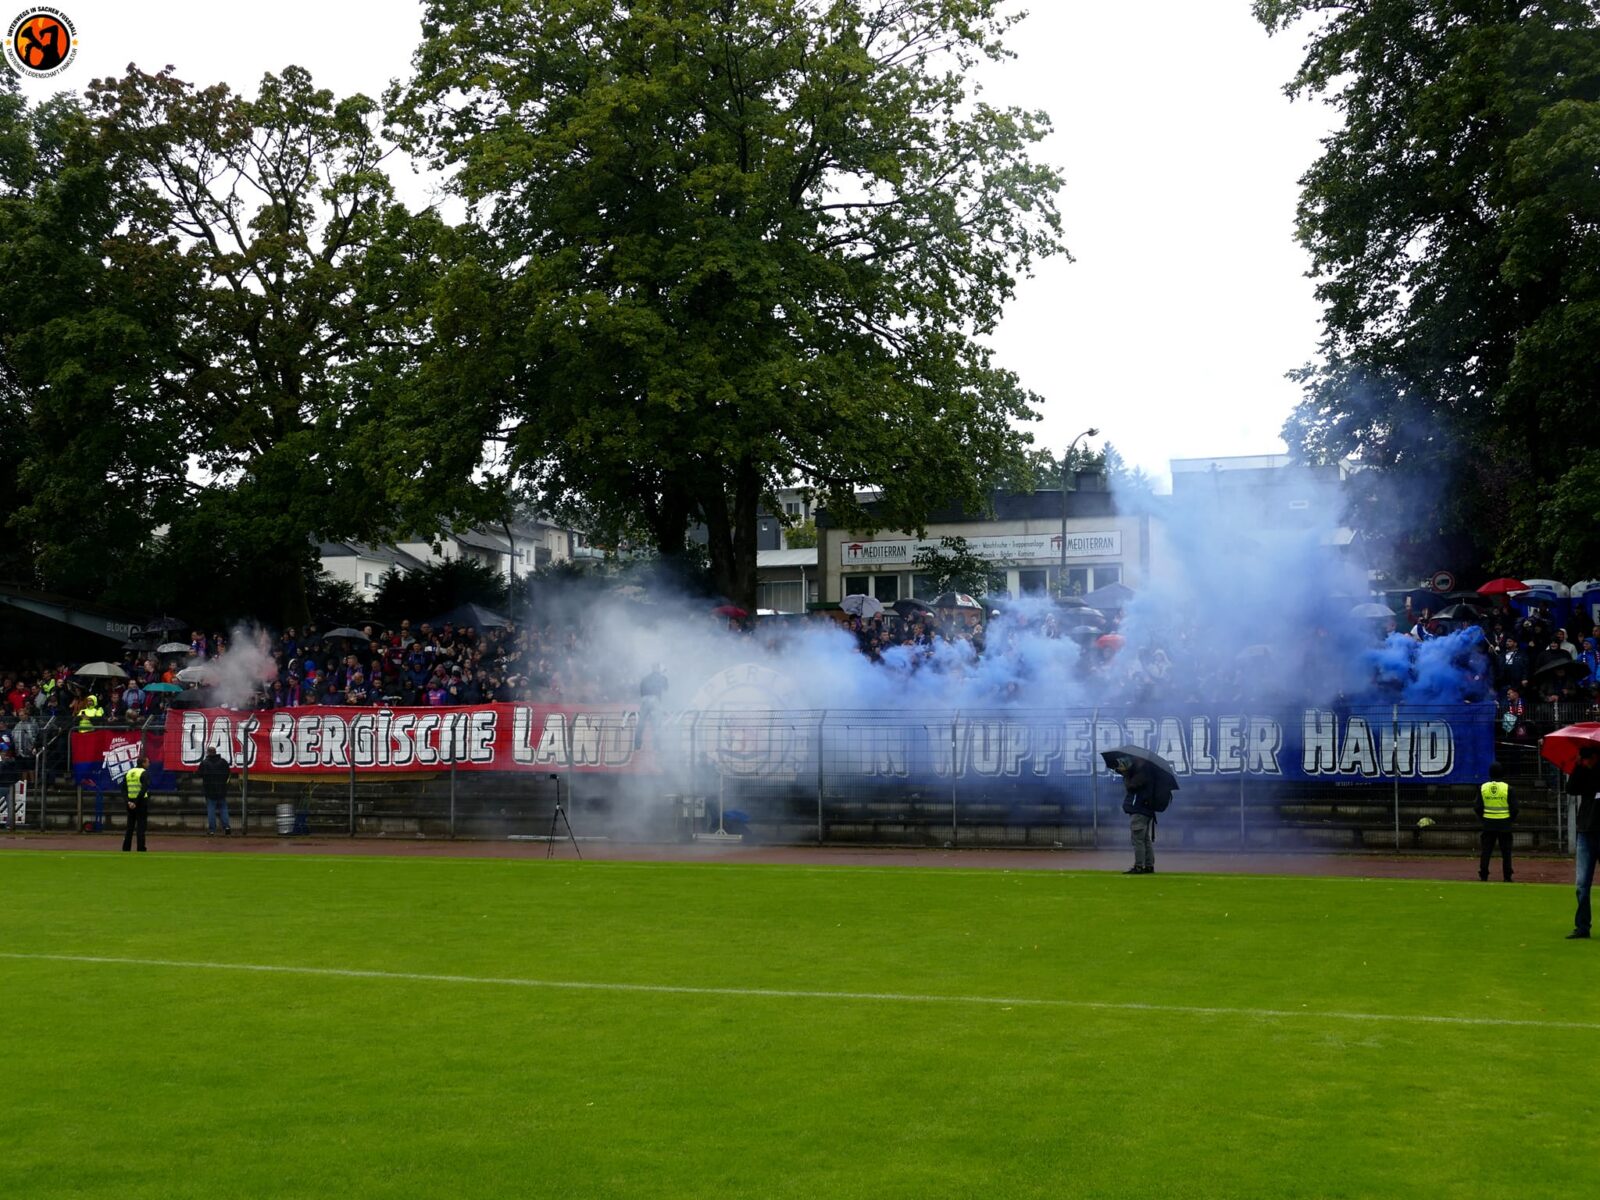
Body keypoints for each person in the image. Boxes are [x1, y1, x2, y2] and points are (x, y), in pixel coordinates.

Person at [1565, 744, 1600, 939]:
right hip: (1586, 831)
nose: (1585, 762)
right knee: (1581, 884)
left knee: (1583, 883)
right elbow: (1570, 789)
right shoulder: (1584, 772)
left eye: (1586, 759)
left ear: (1595, 757)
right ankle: (1582, 926)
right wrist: (1577, 767)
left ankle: (1583, 925)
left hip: (1593, 829)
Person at [1113, 755, 1160, 874]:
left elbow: (1131, 786)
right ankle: (1149, 865)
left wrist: (1126, 773)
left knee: (1138, 839)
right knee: (1145, 839)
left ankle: (1139, 866)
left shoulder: (1142, 774)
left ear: (1142, 760)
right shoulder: (1147, 772)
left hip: (1140, 809)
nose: (1133, 761)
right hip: (1145, 810)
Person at [1476, 760, 1516, 881]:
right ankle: (1507, 876)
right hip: (1504, 824)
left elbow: (1477, 807)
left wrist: (1484, 819)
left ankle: (1483, 874)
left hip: (1488, 824)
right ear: (1502, 773)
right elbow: (1515, 808)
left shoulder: (1483, 787)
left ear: (1490, 773)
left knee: (1486, 851)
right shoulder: (1508, 788)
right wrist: (1509, 820)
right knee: (1506, 853)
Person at [198, 747, 233, 836]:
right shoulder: (223, 762)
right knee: (223, 808)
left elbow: (200, 774)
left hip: (209, 789)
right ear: (215, 752)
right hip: (221, 788)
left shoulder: (204, 763)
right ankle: (227, 827)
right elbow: (228, 773)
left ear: (208, 753)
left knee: (211, 809)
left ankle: (212, 830)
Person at [121, 754, 150, 853]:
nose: (148, 764)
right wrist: (136, 802)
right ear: (143, 763)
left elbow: (123, 789)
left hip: (130, 802)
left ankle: (126, 848)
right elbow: (144, 789)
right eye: (147, 762)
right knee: (141, 827)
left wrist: (128, 801)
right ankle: (141, 848)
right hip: (141, 803)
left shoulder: (129, 772)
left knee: (130, 827)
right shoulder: (144, 773)